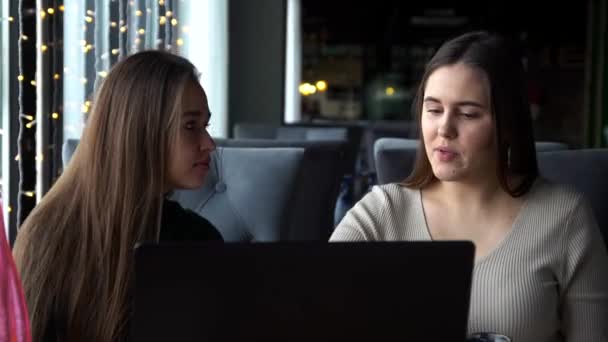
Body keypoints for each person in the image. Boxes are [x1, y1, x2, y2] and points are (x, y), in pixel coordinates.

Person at [330, 31, 608, 341]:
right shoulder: (379, 214)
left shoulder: (566, 217)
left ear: (508, 124)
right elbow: (315, 313)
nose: (444, 129)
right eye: (433, 110)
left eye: (468, 114)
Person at [12, 50, 223, 341]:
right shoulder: (49, 236)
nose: (209, 143)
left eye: (205, 126)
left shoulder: (196, 239)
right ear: (141, 130)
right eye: (190, 126)